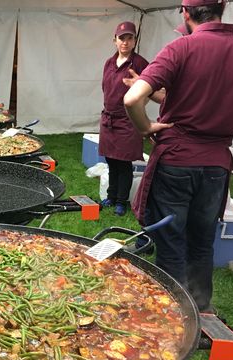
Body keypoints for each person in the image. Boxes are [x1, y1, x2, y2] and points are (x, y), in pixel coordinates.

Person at [123, 0, 233, 312]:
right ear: (222, 9)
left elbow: (132, 98)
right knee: (202, 241)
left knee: (171, 239)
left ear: (185, 13)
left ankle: (171, 313)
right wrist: (220, 104)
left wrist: (146, 128)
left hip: (177, 159)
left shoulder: (181, 48)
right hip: (216, 164)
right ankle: (200, 307)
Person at [98, 21, 149, 216]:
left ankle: (121, 200)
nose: (125, 43)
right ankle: (111, 195)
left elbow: (148, 92)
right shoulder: (109, 63)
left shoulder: (140, 63)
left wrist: (136, 109)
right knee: (111, 160)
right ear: (114, 41)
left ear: (135, 40)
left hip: (128, 120)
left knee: (124, 162)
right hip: (109, 119)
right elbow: (105, 88)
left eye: (129, 38)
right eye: (121, 38)